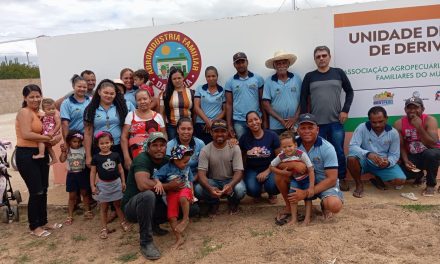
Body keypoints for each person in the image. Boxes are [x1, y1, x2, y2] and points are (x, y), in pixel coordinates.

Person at [122, 132, 185, 260]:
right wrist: (169, 186)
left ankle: (154, 223)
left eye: (162, 145)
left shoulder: (168, 160)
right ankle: (146, 242)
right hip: (132, 207)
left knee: (187, 207)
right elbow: (142, 185)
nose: (159, 148)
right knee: (147, 195)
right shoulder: (142, 159)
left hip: (155, 203)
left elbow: (179, 179)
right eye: (154, 145)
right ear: (148, 147)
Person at [300, 45, 354, 192]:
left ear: (329, 57)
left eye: (324, 55)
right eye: (318, 56)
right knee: (317, 153)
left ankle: (341, 178)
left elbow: (350, 92)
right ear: (315, 59)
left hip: (336, 122)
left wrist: (345, 110)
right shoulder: (309, 76)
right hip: (316, 125)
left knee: (338, 151)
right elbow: (303, 98)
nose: (321, 58)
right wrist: (305, 121)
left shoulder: (338, 73)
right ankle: (320, 179)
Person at [274, 113, 343, 225]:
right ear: (298, 130)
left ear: (317, 129)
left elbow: (332, 179)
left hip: (323, 183)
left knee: (334, 205)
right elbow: (278, 163)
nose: (306, 131)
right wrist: (293, 165)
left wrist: (305, 193)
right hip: (301, 180)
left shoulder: (327, 148)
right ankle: (288, 206)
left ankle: (324, 205)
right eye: (303, 128)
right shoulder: (291, 143)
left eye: (310, 127)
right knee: (279, 175)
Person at [15, 84, 62, 237]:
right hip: (26, 154)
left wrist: (55, 138)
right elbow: (27, 134)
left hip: (40, 153)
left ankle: (44, 221)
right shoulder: (24, 112)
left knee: (44, 189)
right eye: (31, 97)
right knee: (36, 190)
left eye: (37, 96)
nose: (35, 99)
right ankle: (34, 226)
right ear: (25, 98)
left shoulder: (41, 113)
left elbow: (50, 128)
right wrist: (47, 138)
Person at [348, 106, 406, 198]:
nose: (377, 125)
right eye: (374, 122)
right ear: (369, 120)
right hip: (365, 160)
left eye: (380, 121)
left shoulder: (393, 133)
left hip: (382, 162)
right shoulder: (362, 127)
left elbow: (394, 154)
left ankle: (377, 177)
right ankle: (359, 184)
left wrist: (388, 163)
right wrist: (368, 154)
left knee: (400, 181)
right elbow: (352, 147)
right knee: (351, 159)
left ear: (386, 119)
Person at [195, 119, 246, 215]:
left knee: (240, 190)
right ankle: (214, 202)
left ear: (227, 132)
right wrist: (210, 188)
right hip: (214, 181)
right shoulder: (205, 150)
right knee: (198, 189)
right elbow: (201, 174)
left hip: (230, 180)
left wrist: (231, 185)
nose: (219, 134)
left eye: (223, 131)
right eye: (216, 131)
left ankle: (233, 202)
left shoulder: (234, 147)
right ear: (211, 132)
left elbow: (239, 171)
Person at [394, 97, 440, 196]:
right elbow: (401, 146)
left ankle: (431, 185)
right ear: (405, 110)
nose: (412, 111)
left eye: (416, 108)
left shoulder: (430, 120)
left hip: (430, 153)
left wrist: (419, 127)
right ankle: (419, 175)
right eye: (409, 108)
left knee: (430, 154)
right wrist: (406, 161)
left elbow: (433, 144)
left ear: (422, 109)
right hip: (413, 156)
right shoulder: (399, 123)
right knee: (399, 176)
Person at [90, 131, 131, 239]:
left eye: (107, 142)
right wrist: (93, 186)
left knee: (118, 205)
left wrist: (123, 182)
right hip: (103, 186)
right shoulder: (96, 158)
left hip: (116, 184)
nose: (105, 145)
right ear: (98, 145)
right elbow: (93, 172)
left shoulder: (116, 155)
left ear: (112, 142)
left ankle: (123, 222)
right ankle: (104, 228)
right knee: (104, 208)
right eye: (102, 143)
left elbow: (121, 170)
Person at [153, 145, 195, 249]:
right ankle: (179, 238)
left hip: (185, 189)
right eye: (184, 162)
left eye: (187, 162)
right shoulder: (167, 167)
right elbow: (156, 176)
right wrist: (158, 183)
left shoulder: (187, 167)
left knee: (182, 198)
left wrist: (192, 193)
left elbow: (190, 180)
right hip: (172, 193)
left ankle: (185, 219)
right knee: (171, 216)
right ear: (175, 160)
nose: (186, 164)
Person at [270, 131, 315, 225]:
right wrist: (282, 172)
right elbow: (271, 167)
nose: (287, 149)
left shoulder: (301, 154)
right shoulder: (281, 156)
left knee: (308, 198)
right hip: (295, 180)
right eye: (284, 147)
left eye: (290, 146)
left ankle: (307, 218)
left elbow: (311, 170)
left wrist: (311, 186)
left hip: (306, 179)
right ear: (281, 147)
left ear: (295, 145)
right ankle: (294, 219)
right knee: (292, 197)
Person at [83, 79, 129, 169]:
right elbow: (88, 133)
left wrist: (126, 156)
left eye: (112, 93)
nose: (109, 96)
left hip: (118, 148)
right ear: (99, 92)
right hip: (98, 149)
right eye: (106, 93)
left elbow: (125, 132)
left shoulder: (121, 108)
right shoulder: (91, 109)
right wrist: (88, 156)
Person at [239, 111, 280, 204]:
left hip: (270, 167)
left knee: (272, 185)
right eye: (250, 121)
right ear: (247, 124)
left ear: (260, 120)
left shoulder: (272, 135)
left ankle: (271, 193)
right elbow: (242, 158)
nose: (254, 123)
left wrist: (267, 171)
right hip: (252, 169)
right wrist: (242, 173)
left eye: (256, 119)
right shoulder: (244, 138)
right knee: (252, 189)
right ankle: (257, 193)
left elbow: (279, 157)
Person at [121, 89, 165, 170]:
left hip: (156, 157)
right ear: (136, 102)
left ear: (150, 99)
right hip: (136, 158)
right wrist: (126, 157)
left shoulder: (158, 116)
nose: (142, 102)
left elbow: (164, 136)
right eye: (139, 100)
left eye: (145, 99)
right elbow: (124, 137)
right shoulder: (131, 115)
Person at [225, 52, 264, 140]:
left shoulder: (258, 78)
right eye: (238, 63)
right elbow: (229, 104)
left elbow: (262, 101)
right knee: (243, 146)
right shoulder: (230, 82)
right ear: (234, 65)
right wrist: (229, 125)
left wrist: (264, 120)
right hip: (239, 121)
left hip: (256, 120)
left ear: (247, 62)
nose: (241, 65)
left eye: (243, 62)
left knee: (259, 146)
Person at [262, 50, 302, 135]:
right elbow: (266, 104)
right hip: (276, 125)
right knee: (278, 148)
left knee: (295, 147)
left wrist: (295, 118)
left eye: (284, 63)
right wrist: (281, 119)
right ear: (274, 66)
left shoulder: (297, 78)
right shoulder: (269, 81)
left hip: (294, 124)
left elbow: (303, 100)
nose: (281, 66)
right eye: (278, 64)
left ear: (288, 64)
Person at [59, 130, 92, 225]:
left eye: (78, 141)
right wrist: (63, 152)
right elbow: (61, 160)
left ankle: (87, 211)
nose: (77, 144)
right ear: (69, 141)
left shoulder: (84, 149)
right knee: (72, 196)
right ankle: (70, 215)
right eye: (74, 141)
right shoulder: (68, 149)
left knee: (85, 193)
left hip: (82, 174)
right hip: (71, 175)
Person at [193, 66, 226, 144]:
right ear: (205, 77)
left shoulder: (222, 91)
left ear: (217, 77)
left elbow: (225, 110)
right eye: (208, 76)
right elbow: (196, 107)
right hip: (201, 124)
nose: (211, 78)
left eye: (213, 76)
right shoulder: (199, 89)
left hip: (217, 125)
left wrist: (213, 123)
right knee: (201, 149)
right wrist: (207, 122)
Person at [162, 68, 194, 140]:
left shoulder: (191, 92)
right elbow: (162, 113)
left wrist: (192, 124)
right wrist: (164, 131)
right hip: (172, 127)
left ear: (183, 78)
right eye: (174, 79)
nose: (177, 80)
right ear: (171, 80)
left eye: (179, 78)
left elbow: (194, 112)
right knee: (173, 149)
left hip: (187, 128)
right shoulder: (165, 94)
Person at [60, 74, 91, 141]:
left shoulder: (91, 101)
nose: (82, 89)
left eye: (84, 87)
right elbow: (65, 124)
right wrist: (66, 142)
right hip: (74, 140)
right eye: (79, 86)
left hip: (90, 138)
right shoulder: (66, 103)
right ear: (73, 86)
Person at [33, 98, 61, 165]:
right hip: (47, 132)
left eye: (53, 108)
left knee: (40, 140)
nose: (51, 111)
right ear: (44, 110)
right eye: (49, 109)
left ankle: (41, 153)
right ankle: (54, 159)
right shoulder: (44, 115)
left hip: (52, 133)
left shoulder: (55, 115)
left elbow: (58, 124)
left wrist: (53, 132)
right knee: (49, 147)